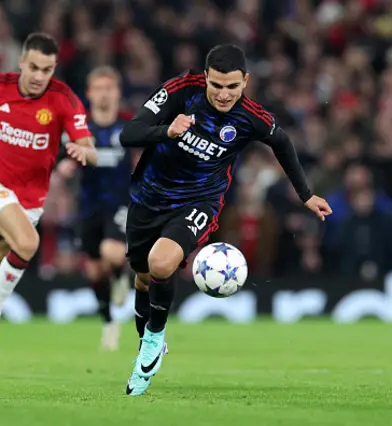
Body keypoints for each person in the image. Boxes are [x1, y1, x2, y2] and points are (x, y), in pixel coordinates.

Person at [119, 44, 332, 395]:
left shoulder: (251, 116)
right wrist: (166, 131)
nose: (223, 94)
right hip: (148, 197)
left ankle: (154, 341)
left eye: (232, 87)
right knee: (142, 278)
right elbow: (129, 134)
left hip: (199, 201)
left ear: (245, 81)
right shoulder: (180, 91)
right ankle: (148, 337)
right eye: (216, 85)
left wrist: (306, 195)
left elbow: (282, 142)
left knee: (161, 263)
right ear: (205, 77)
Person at [0, 33, 97, 376]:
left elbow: (89, 144)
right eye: (35, 67)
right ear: (22, 62)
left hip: (30, 200)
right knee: (28, 243)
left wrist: (83, 151)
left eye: (48, 69)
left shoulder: (63, 99)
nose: (40, 76)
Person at [57, 66, 131, 351]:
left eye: (109, 88)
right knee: (94, 271)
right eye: (98, 88)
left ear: (117, 92)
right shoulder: (78, 128)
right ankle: (109, 322)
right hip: (88, 206)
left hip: (121, 202)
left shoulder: (128, 125)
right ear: (88, 93)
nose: (103, 93)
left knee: (111, 251)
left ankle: (122, 275)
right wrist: (66, 165)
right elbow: (66, 157)